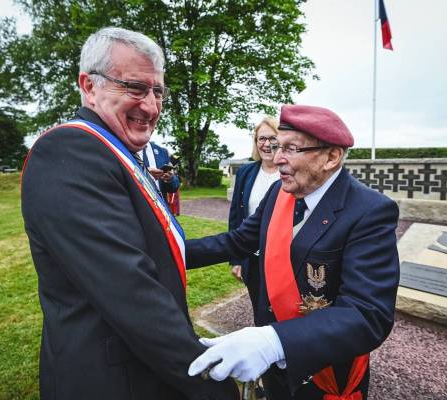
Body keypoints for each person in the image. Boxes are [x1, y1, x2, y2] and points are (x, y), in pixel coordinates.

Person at [21, 27, 238, 400]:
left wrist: (247, 237)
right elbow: (131, 290)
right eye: (135, 88)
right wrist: (210, 382)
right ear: (89, 86)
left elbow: (158, 252)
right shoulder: (72, 150)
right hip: (112, 379)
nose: (151, 106)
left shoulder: (115, 151)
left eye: (158, 92)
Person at [187, 105, 400, 400]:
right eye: (276, 147)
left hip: (323, 374)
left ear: (331, 157)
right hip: (273, 363)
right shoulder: (279, 192)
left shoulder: (370, 211)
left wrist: (272, 342)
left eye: (290, 148)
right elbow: (238, 242)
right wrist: (173, 250)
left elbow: (368, 314)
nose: (277, 159)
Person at [228, 117, 280, 309]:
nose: (266, 144)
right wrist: (236, 258)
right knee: (259, 309)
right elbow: (236, 217)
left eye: (272, 138)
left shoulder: (290, 171)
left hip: (284, 259)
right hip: (252, 257)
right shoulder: (246, 172)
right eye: (261, 139)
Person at [142, 141, 181, 214]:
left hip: (162, 213)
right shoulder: (124, 147)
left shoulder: (162, 152)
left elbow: (174, 187)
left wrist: (170, 179)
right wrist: (144, 173)